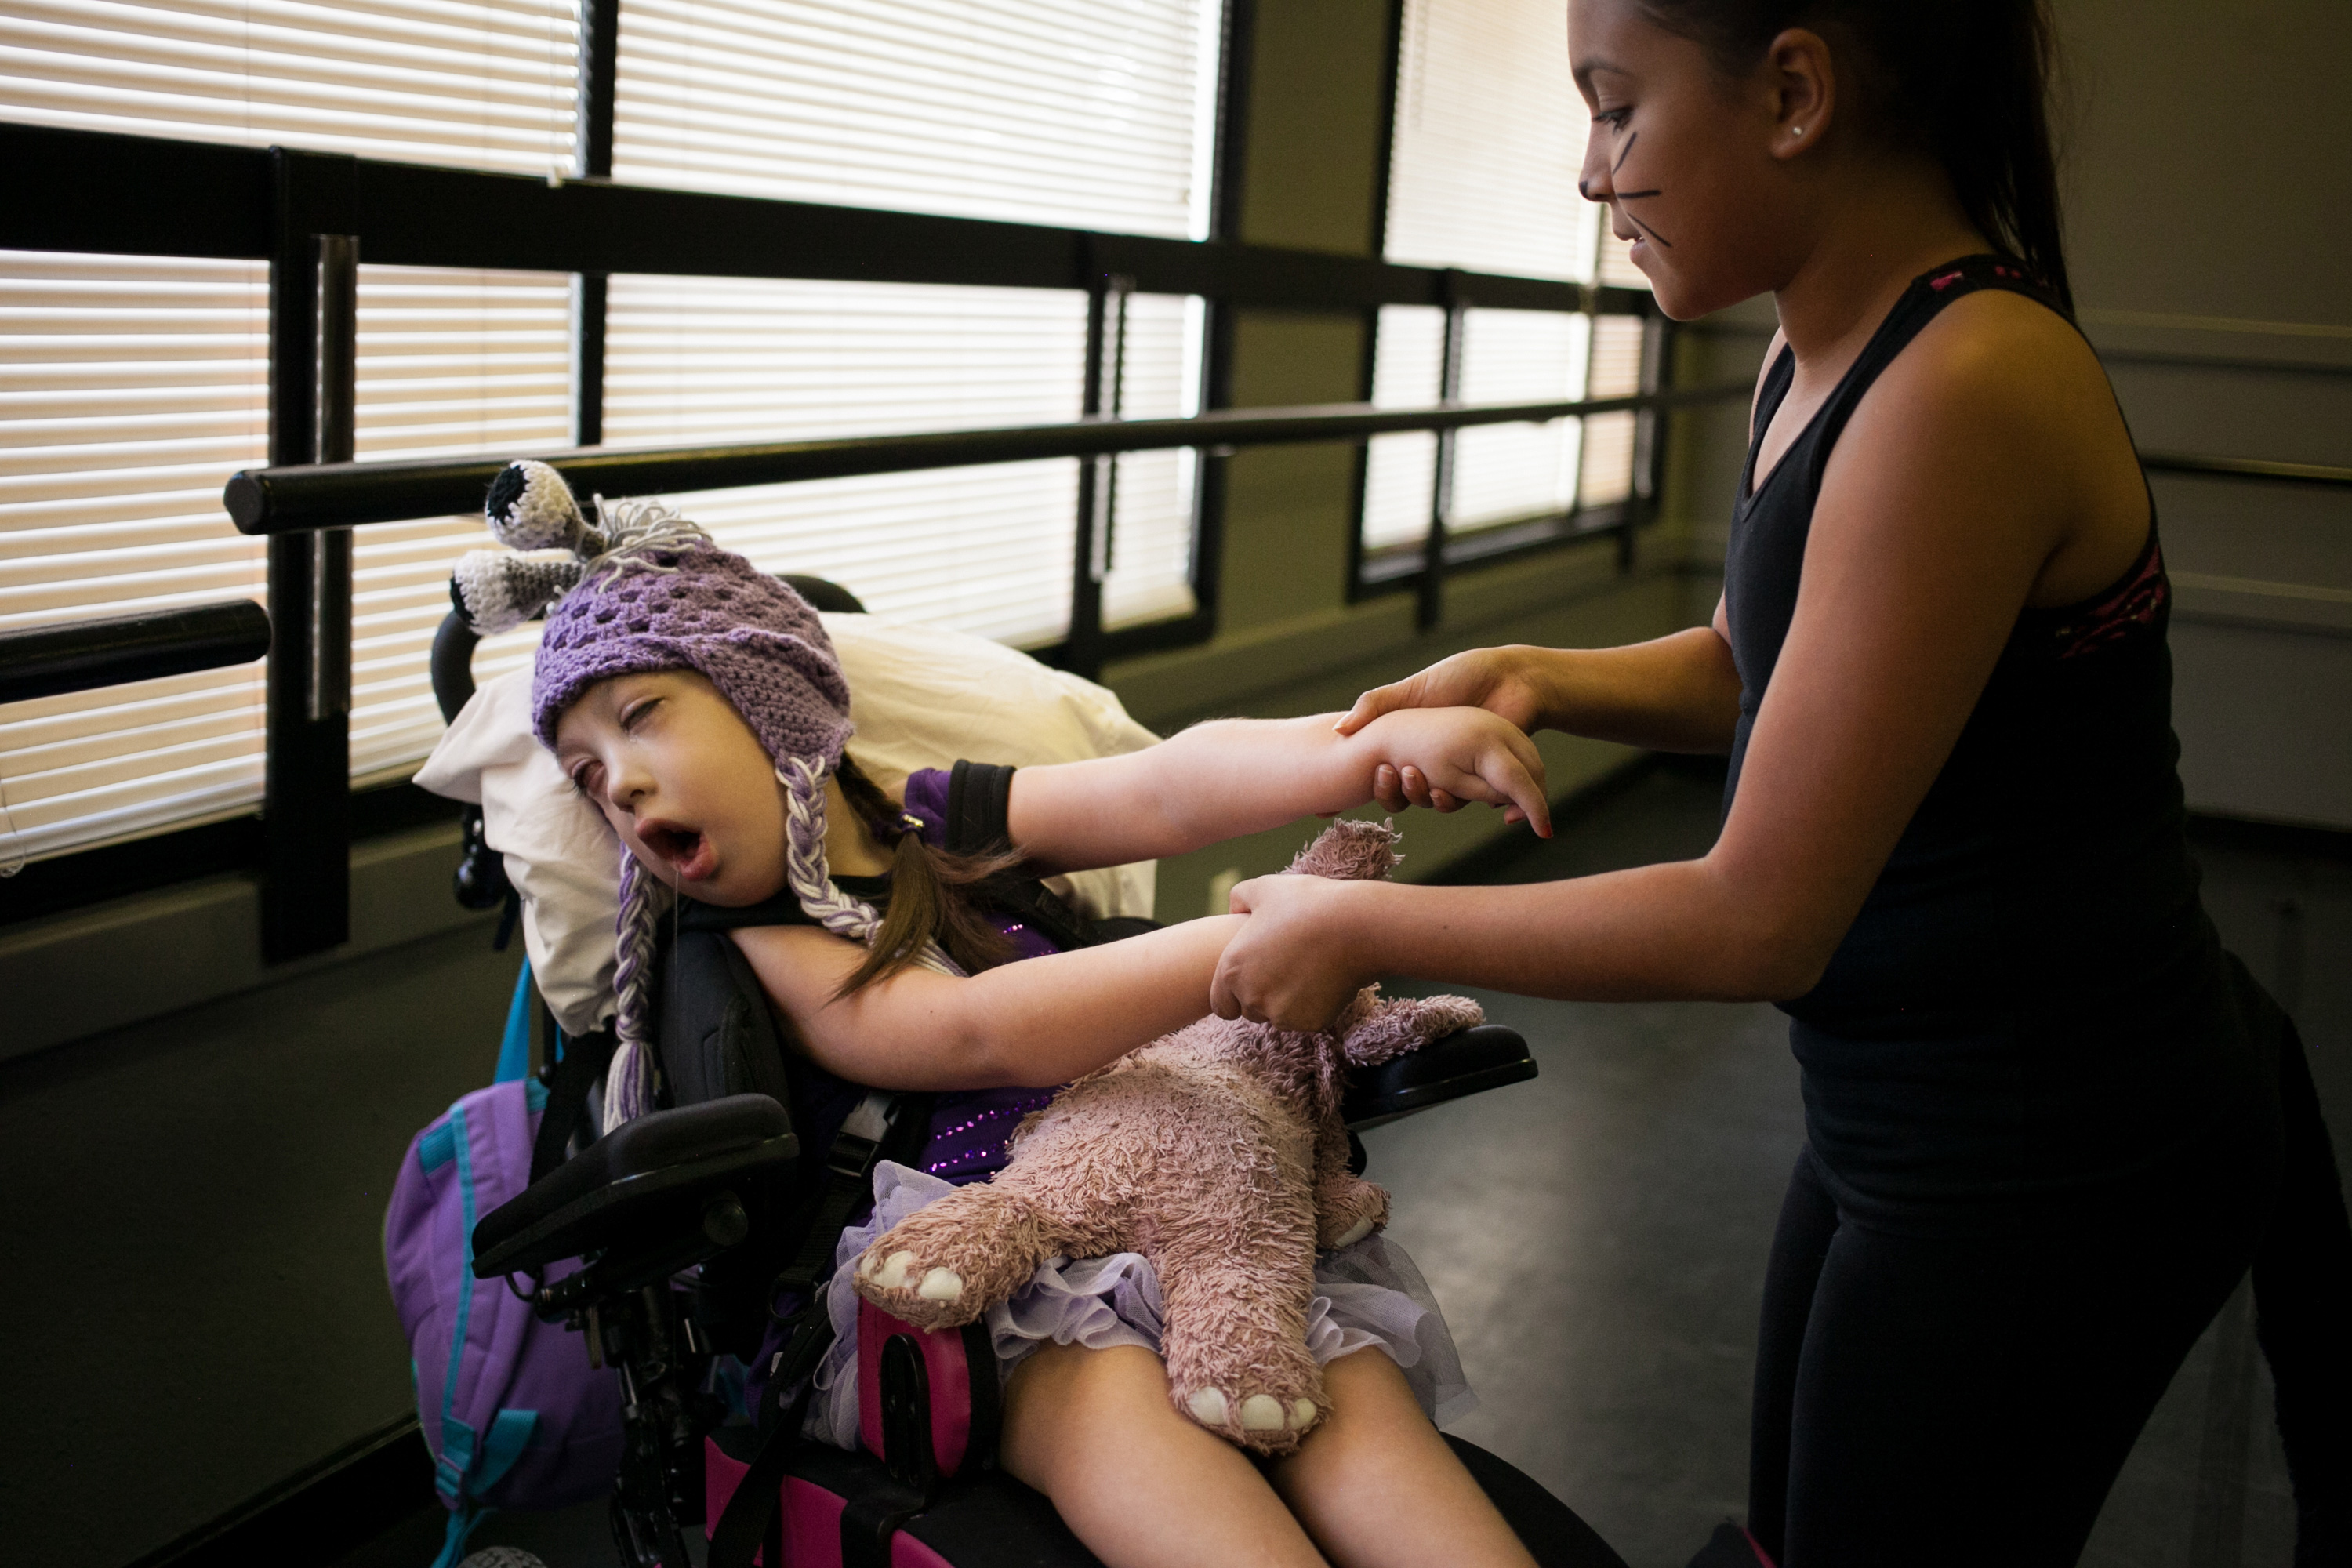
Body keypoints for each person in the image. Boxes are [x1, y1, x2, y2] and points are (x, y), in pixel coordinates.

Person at [1205, 2, 2349, 1564]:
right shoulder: (1817, 349)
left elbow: (1758, 917)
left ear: (1796, 93)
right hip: (1903, 1107)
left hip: (2057, 1146)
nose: (1591, 173)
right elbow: (1763, 666)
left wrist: (1361, 930)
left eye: (1618, 107)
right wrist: (1538, 673)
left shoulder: (1967, 381)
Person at [505, 500, 1551, 1568]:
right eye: (587, 775)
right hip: (969, 1293)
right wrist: (1260, 940)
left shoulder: (933, 820)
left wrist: (1368, 751)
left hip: (1183, 1205)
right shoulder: (751, 940)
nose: (619, 782)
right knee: (1111, 1398)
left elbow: (1164, 792)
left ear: (765, 696)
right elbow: (976, 1034)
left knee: (1352, 1411)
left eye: (642, 716)